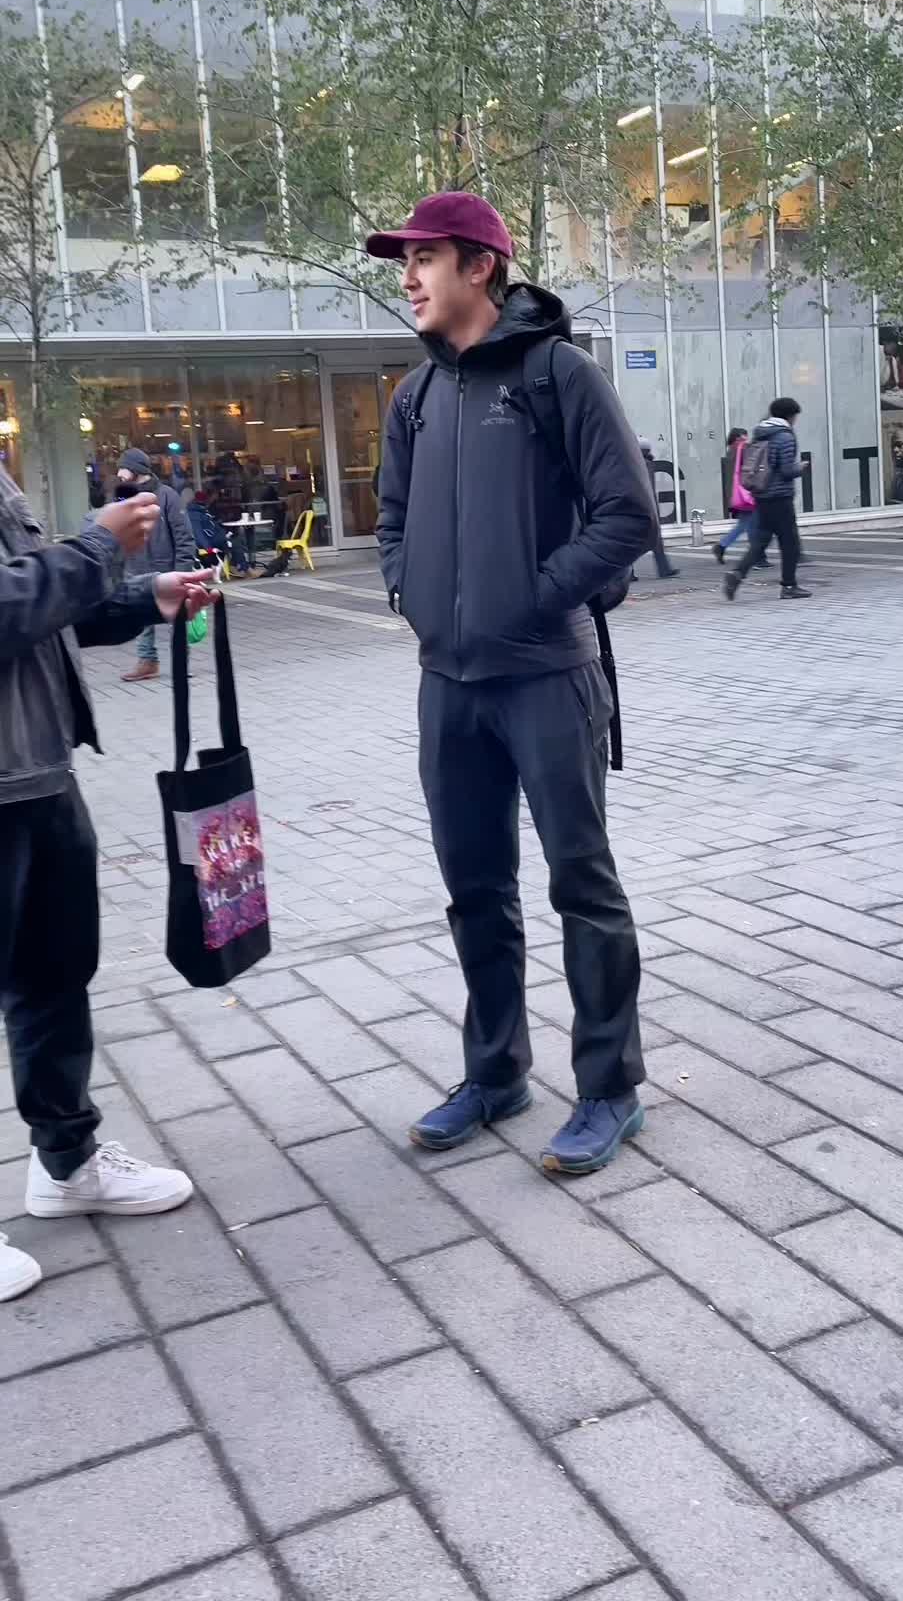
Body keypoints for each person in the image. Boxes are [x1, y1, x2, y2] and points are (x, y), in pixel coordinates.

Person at [373, 191, 657, 1176]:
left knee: (581, 881)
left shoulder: (558, 374)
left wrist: (533, 598)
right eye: (404, 262)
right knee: (474, 887)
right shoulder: (415, 396)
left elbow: (628, 514)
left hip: (546, 675)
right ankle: (495, 1074)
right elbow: (392, 518)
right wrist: (409, 590)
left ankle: (611, 1089)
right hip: (447, 684)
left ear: (480, 265)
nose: (408, 277)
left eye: (424, 258)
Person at [0, 468, 214, 1301]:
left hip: (38, 774)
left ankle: (67, 1163)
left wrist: (145, 598)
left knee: (54, 977)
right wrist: (97, 549)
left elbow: (38, 605)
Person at [114, 450, 197, 682]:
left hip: (167, 570)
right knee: (142, 620)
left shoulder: (167, 496)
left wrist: (183, 571)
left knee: (176, 620)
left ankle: (180, 663)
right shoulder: (124, 497)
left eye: (123, 468)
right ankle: (147, 661)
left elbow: (184, 537)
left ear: (136, 469)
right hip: (135, 569)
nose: (118, 473)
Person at [723, 397, 811, 601]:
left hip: (761, 495)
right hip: (780, 497)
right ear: (790, 415)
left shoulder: (760, 434)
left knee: (761, 541)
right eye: (795, 416)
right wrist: (801, 468)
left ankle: (737, 574)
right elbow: (786, 470)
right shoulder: (784, 436)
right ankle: (789, 586)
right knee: (789, 543)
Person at [713, 426, 765, 566]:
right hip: (746, 493)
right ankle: (758, 556)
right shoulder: (742, 450)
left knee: (745, 524)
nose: (746, 439)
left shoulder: (730, 452)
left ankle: (722, 546)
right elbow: (750, 469)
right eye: (743, 436)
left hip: (737, 495)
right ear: (737, 438)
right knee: (754, 525)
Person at [635, 437, 678, 579]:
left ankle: (664, 569)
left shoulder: (638, 462)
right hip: (647, 506)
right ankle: (663, 570)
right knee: (650, 540)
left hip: (643, 506)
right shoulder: (645, 464)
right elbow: (647, 489)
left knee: (653, 541)